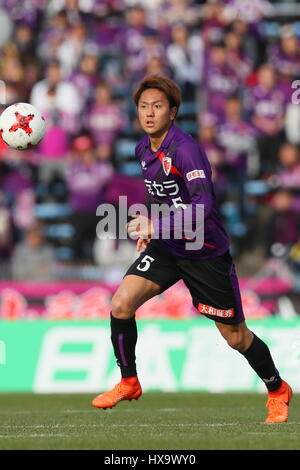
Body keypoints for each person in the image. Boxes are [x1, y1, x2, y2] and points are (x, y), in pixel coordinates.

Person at [92, 75, 292, 423]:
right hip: (169, 247)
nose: (149, 113)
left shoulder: (185, 149)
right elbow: (163, 195)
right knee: (121, 304)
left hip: (205, 252)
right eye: (143, 107)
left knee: (235, 337)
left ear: (173, 112)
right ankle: (129, 381)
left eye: (157, 106)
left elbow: (203, 208)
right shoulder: (143, 149)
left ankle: (277, 389)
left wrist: (156, 225)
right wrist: (153, 230)